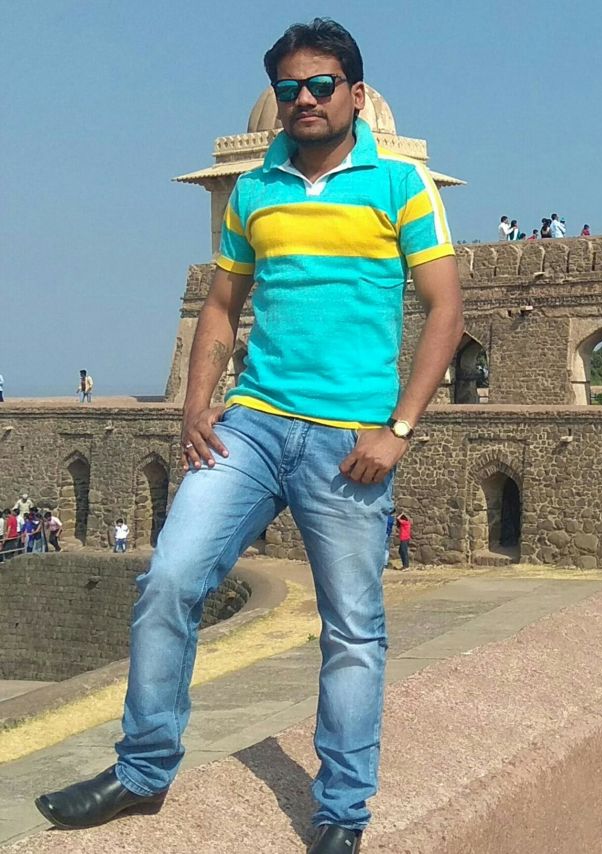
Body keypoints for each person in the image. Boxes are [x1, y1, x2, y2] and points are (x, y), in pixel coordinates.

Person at [35, 18, 464, 854]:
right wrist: (194, 406)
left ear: (356, 95)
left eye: (321, 85)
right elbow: (223, 305)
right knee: (169, 580)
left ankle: (341, 811)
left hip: (350, 439)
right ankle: (143, 770)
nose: (305, 99)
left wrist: (400, 429)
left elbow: (445, 309)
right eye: (289, 88)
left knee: (352, 628)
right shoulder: (256, 191)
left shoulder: (401, 185)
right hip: (256, 425)